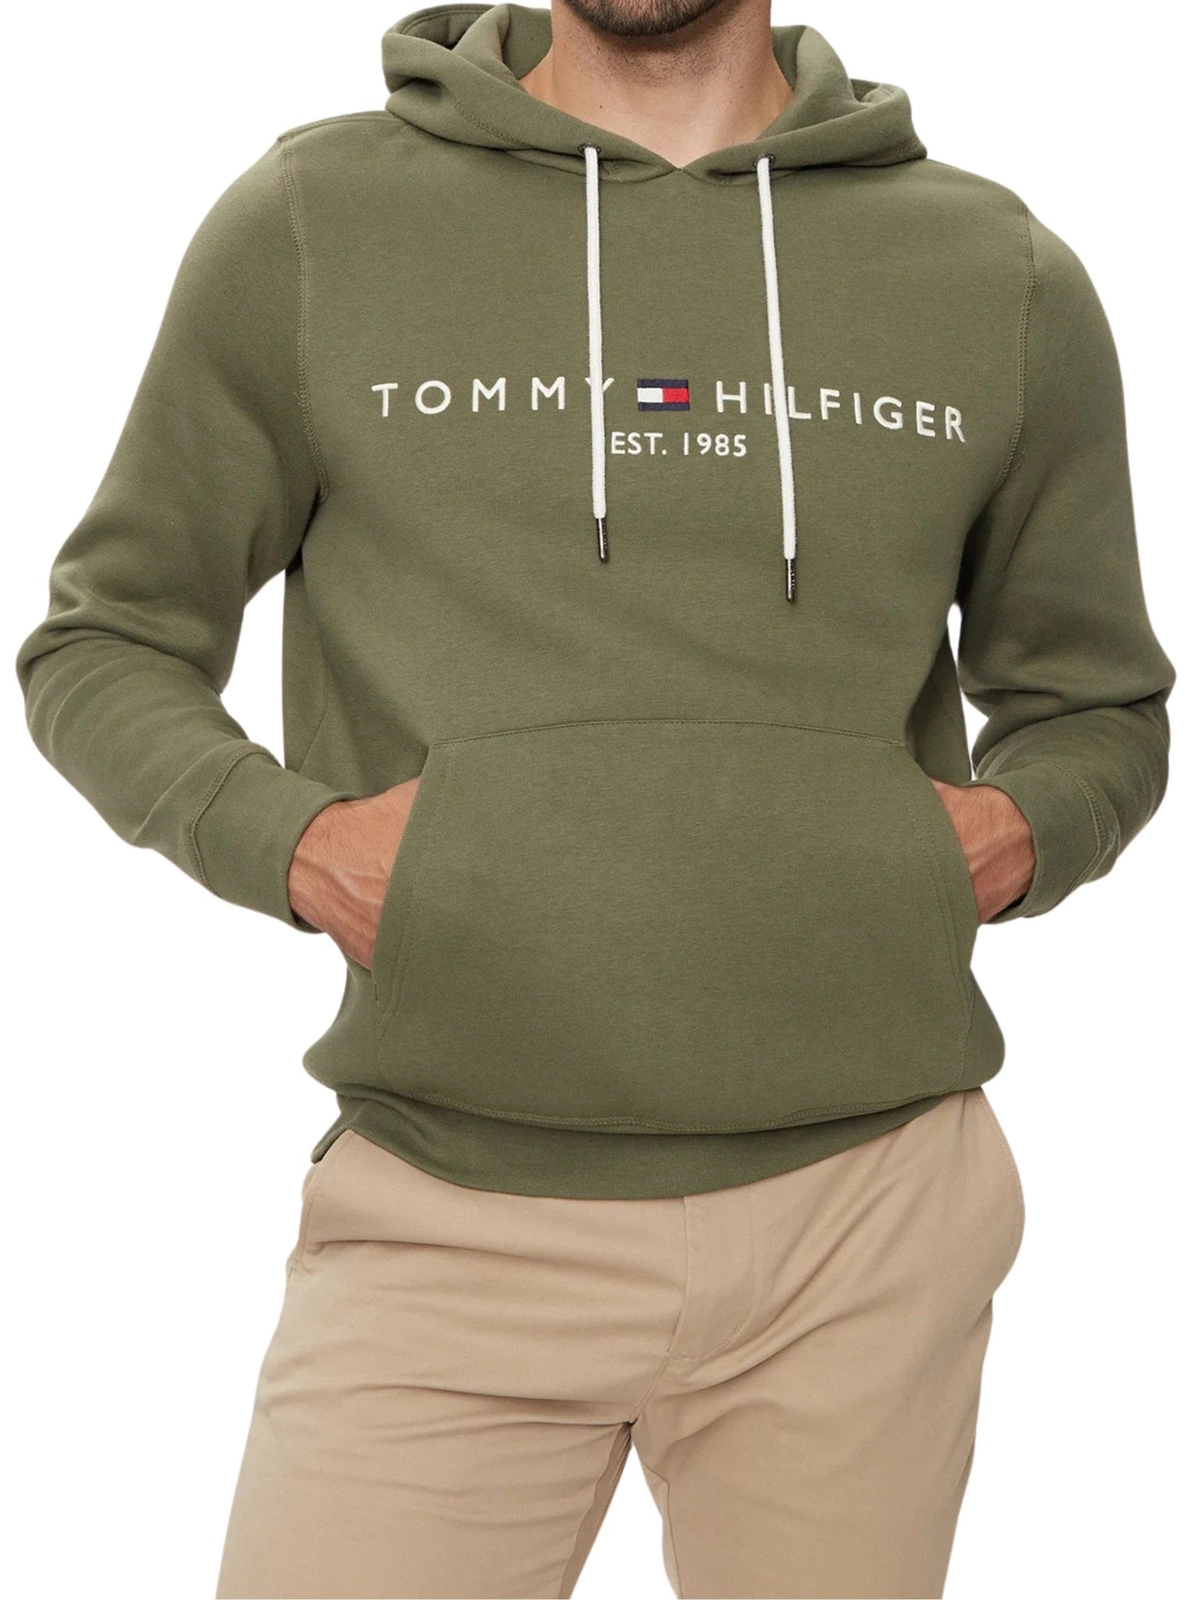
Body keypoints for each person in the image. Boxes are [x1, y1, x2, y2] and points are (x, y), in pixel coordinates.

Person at [15, 1, 1175, 1595]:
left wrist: (992, 838)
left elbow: (1096, 703)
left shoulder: (995, 272)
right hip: (446, 1220)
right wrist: (299, 847)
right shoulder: (315, 224)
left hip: (866, 1223)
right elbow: (106, 642)